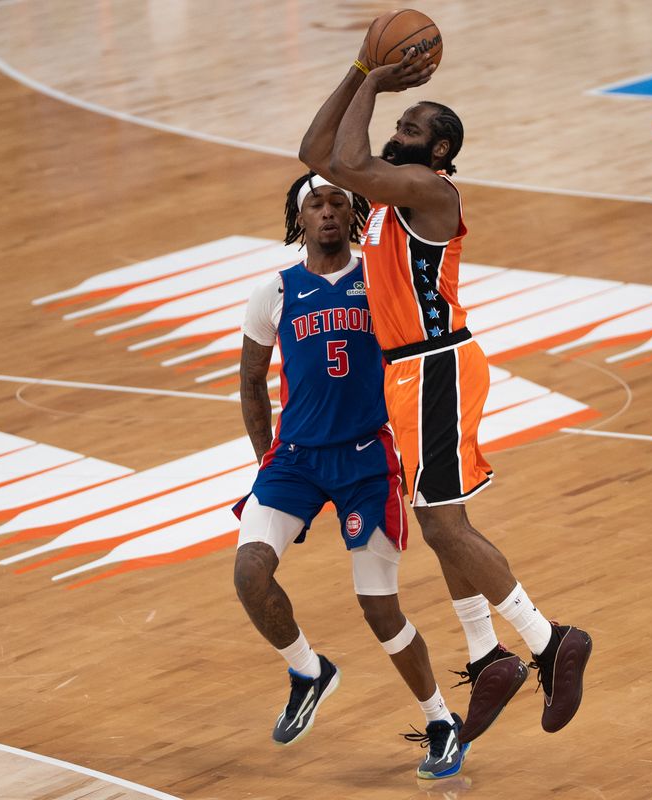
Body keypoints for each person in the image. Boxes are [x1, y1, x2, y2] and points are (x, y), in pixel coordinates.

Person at [298, 35, 592, 745]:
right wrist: (360, 71)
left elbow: (345, 161)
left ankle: (550, 641)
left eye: (411, 128)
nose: (396, 132)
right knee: (442, 524)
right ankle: (488, 655)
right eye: (400, 122)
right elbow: (318, 156)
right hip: (408, 373)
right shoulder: (390, 202)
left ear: (438, 154)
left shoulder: (430, 192)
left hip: (436, 366)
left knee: (444, 526)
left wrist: (377, 79)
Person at [232, 171, 468, 780]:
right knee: (249, 572)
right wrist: (265, 457)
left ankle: (441, 718)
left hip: (367, 458)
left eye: (339, 201)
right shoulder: (276, 291)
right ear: (299, 218)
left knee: (378, 607)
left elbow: (425, 353)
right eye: (317, 204)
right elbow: (251, 379)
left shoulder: (381, 279)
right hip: (296, 458)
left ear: (355, 212)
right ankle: (309, 670)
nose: (329, 212)